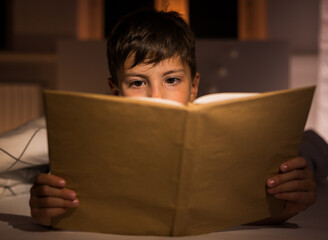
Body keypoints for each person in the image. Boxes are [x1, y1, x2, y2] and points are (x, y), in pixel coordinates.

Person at [30, 9, 316, 227]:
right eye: (138, 83)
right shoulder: (91, 149)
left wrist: (287, 202)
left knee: (310, 147)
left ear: (194, 87)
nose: (157, 97)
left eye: (171, 80)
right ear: (115, 90)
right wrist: (48, 206)